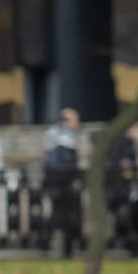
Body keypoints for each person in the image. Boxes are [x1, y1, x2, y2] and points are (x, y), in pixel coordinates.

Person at [41, 106, 83, 256]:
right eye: (75, 120)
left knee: (55, 213)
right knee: (62, 214)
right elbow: (67, 162)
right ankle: (66, 244)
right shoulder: (64, 138)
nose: (77, 123)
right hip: (61, 182)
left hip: (53, 181)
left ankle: (45, 241)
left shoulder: (52, 134)